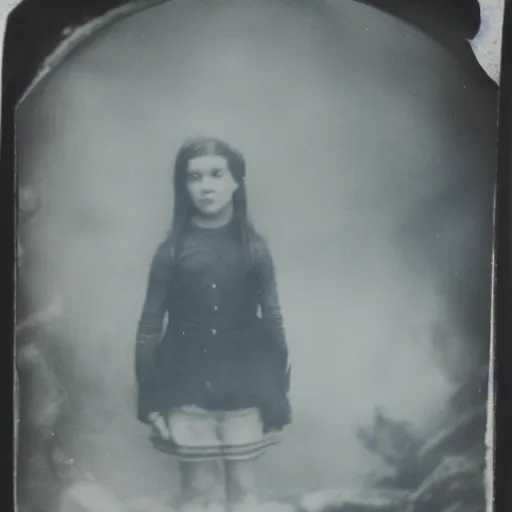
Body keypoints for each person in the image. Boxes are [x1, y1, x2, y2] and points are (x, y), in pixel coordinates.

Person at [135, 136, 291, 512]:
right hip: (186, 388)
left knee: (244, 491)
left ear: (236, 181)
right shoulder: (171, 252)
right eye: (195, 177)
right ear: (183, 185)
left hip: (245, 388)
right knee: (198, 493)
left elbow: (273, 323)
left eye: (217, 174)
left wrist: (277, 394)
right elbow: (149, 328)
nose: (206, 187)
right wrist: (150, 399)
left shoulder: (255, 250)